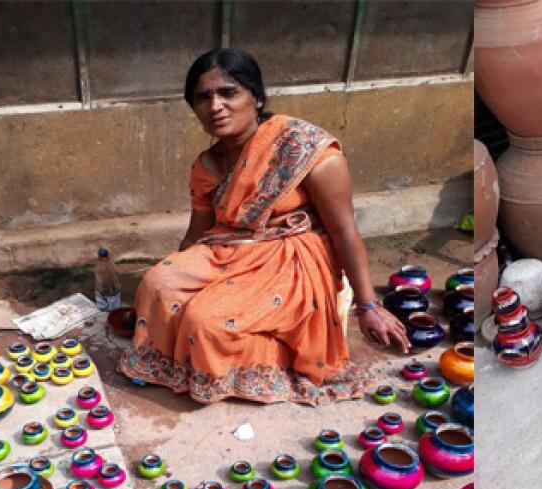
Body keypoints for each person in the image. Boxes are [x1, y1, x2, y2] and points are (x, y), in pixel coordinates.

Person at [117, 48, 410, 406]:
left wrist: (368, 306)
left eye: (228, 92)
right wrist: (168, 291)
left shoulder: (305, 150)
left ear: (255, 97)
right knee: (154, 286)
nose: (215, 107)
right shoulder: (208, 164)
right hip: (228, 249)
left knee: (205, 320)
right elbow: (197, 235)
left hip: (292, 258)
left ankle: (257, 365)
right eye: (202, 98)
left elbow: (344, 231)